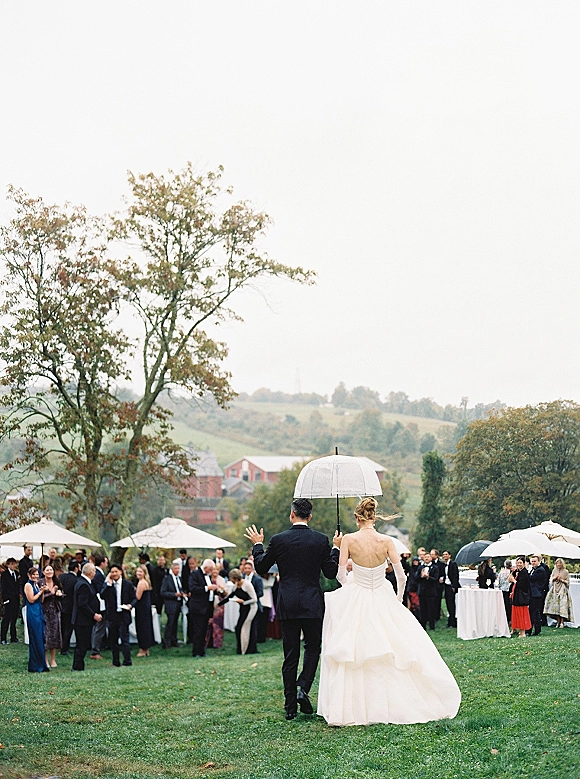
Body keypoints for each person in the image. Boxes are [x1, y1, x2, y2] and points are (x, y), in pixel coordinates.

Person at [316, 497, 461, 726]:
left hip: (358, 595)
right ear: (374, 517)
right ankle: (397, 702)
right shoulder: (387, 541)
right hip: (383, 594)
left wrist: (353, 587)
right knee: (393, 648)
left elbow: (340, 576)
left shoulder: (348, 540)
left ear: (357, 518)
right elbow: (402, 576)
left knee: (357, 650)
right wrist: (397, 598)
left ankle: (357, 708)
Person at [245, 497, 341, 720]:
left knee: (290, 654)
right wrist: (335, 548)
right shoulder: (320, 540)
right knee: (313, 647)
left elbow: (261, 566)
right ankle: (303, 688)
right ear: (310, 516)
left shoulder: (279, 540)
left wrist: (258, 544)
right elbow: (330, 572)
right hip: (312, 601)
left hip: (287, 601)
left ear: (292, 515)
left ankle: (290, 707)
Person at [101, 564, 136, 666]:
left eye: (116, 571)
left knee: (125, 639)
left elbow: (134, 598)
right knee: (113, 640)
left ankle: (127, 661)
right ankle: (115, 661)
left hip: (124, 614)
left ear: (121, 572)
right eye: (112, 572)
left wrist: (130, 605)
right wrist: (108, 584)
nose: (114, 574)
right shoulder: (108, 584)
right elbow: (102, 595)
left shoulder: (127, 584)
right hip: (112, 616)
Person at [71, 563, 103, 671]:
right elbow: (82, 604)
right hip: (82, 621)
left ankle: (79, 665)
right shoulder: (83, 584)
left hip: (83, 620)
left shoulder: (85, 582)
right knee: (82, 644)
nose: (95, 573)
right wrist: (93, 615)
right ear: (90, 572)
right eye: (94, 570)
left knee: (83, 644)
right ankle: (77, 666)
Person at [221, 568, 258, 655]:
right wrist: (218, 605)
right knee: (238, 628)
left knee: (244, 628)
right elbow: (230, 597)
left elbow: (254, 599)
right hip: (243, 609)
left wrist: (243, 602)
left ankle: (246, 650)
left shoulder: (247, 585)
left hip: (251, 608)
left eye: (231, 578)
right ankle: (241, 649)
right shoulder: (235, 586)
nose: (230, 580)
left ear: (235, 578)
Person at [188, 559, 218, 657]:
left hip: (207, 607)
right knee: (198, 630)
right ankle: (196, 651)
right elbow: (193, 588)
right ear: (206, 568)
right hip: (198, 607)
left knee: (204, 630)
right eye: (211, 569)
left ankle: (202, 651)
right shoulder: (195, 574)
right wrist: (207, 588)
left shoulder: (208, 577)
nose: (212, 571)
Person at [23, 567, 50, 672]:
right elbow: (31, 599)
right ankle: (35, 665)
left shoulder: (36, 584)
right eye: (33, 574)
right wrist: (40, 592)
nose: (35, 576)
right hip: (32, 612)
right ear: (29, 575)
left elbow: (41, 600)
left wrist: (42, 591)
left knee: (40, 637)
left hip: (39, 611)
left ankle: (42, 664)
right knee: (35, 637)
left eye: (37, 574)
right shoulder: (28, 585)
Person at [39, 564, 63, 668]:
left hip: (55, 611)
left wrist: (59, 594)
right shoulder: (40, 582)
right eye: (47, 570)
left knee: (55, 635)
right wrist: (51, 593)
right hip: (45, 611)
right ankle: (45, 659)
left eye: (51, 570)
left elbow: (61, 592)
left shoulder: (57, 581)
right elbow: (40, 598)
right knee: (45, 635)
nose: (49, 572)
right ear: (43, 572)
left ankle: (53, 659)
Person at [161, 562, 187, 649]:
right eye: (176, 568)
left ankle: (174, 640)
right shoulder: (167, 579)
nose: (177, 570)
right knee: (170, 623)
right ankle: (166, 642)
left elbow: (180, 588)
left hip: (178, 603)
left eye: (178, 569)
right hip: (171, 604)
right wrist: (174, 594)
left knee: (175, 623)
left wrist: (183, 593)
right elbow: (163, 592)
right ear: (172, 569)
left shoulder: (179, 579)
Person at [544, 558, 574, 628]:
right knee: (556, 606)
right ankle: (558, 621)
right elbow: (551, 579)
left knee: (563, 606)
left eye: (560, 563)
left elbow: (568, 582)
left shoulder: (565, 572)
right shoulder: (554, 571)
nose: (558, 565)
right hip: (555, 589)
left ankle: (562, 622)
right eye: (557, 563)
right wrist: (554, 578)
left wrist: (562, 580)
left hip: (562, 590)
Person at [59, 561, 80, 655]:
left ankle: (61, 645)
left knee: (63, 627)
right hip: (71, 606)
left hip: (61, 604)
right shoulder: (76, 580)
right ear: (76, 568)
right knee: (68, 628)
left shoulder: (62, 577)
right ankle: (64, 648)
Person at [90, 554, 108, 660]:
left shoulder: (98, 574)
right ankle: (95, 650)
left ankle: (97, 647)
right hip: (100, 604)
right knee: (99, 627)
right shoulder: (98, 575)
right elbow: (100, 591)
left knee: (99, 627)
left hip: (99, 603)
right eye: (105, 562)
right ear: (102, 563)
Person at [135, 564, 155, 656]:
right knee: (146, 627)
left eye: (140, 571)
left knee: (142, 627)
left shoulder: (141, 583)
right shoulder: (147, 582)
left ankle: (143, 649)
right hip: (146, 607)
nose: (138, 573)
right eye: (137, 571)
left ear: (144, 573)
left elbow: (138, 597)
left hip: (141, 608)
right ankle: (146, 649)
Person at [509, 557, 531, 638]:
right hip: (516, 596)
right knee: (516, 612)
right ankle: (516, 629)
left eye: (520, 563)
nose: (518, 564)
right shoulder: (517, 572)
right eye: (517, 563)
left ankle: (523, 632)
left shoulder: (524, 573)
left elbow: (522, 585)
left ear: (524, 563)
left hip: (521, 596)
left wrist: (514, 581)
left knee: (522, 614)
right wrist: (512, 573)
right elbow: (509, 580)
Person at [527, 555, 548, 636]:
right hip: (532, 594)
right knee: (532, 612)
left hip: (536, 594)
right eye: (532, 561)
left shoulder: (540, 570)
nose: (533, 563)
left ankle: (536, 630)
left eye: (534, 561)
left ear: (539, 561)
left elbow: (531, 578)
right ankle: (531, 630)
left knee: (535, 613)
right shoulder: (533, 569)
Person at [206, 566, 227, 649]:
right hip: (209, 602)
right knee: (209, 622)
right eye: (213, 569)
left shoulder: (221, 579)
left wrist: (221, 589)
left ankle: (217, 642)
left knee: (218, 623)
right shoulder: (207, 578)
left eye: (216, 570)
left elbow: (226, 594)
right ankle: (208, 642)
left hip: (219, 603)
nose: (215, 571)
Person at [418, 552, 440, 630]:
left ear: (431, 558)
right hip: (422, 591)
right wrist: (421, 576)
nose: (426, 558)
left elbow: (436, 579)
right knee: (422, 609)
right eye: (425, 557)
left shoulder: (435, 568)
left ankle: (432, 626)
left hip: (431, 592)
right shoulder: (420, 567)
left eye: (428, 557)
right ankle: (423, 625)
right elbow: (416, 578)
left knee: (431, 609)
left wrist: (428, 577)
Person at [1, 557, 20, 644]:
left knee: (14, 619)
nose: (13, 565)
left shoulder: (16, 573)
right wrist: (5, 599)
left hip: (15, 599)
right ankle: (3, 638)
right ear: (8, 565)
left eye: (14, 563)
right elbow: (3, 588)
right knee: (6, 619)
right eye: (12, 564)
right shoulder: (4, 575)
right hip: (8, 599)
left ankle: (13, 637)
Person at [441, 550, 460, 628]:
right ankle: (450, 621)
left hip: (451, 586)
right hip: (446, 585)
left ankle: (453, 622)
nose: (444, 556)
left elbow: (456, 576)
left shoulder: (453, 564)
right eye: (443, 555)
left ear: (449, 556)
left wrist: (454, 586)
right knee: (448, 603)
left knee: (452, 604)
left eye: (446, 554)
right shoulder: (444, 565)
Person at [497, 560, 513, 625]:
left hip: (502, 590)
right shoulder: (512, 573)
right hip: (509, 590)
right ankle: (509, 619)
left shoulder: (501, 572)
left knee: (504, 605)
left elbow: (498, 582)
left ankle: (504, 619)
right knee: (509, 605)